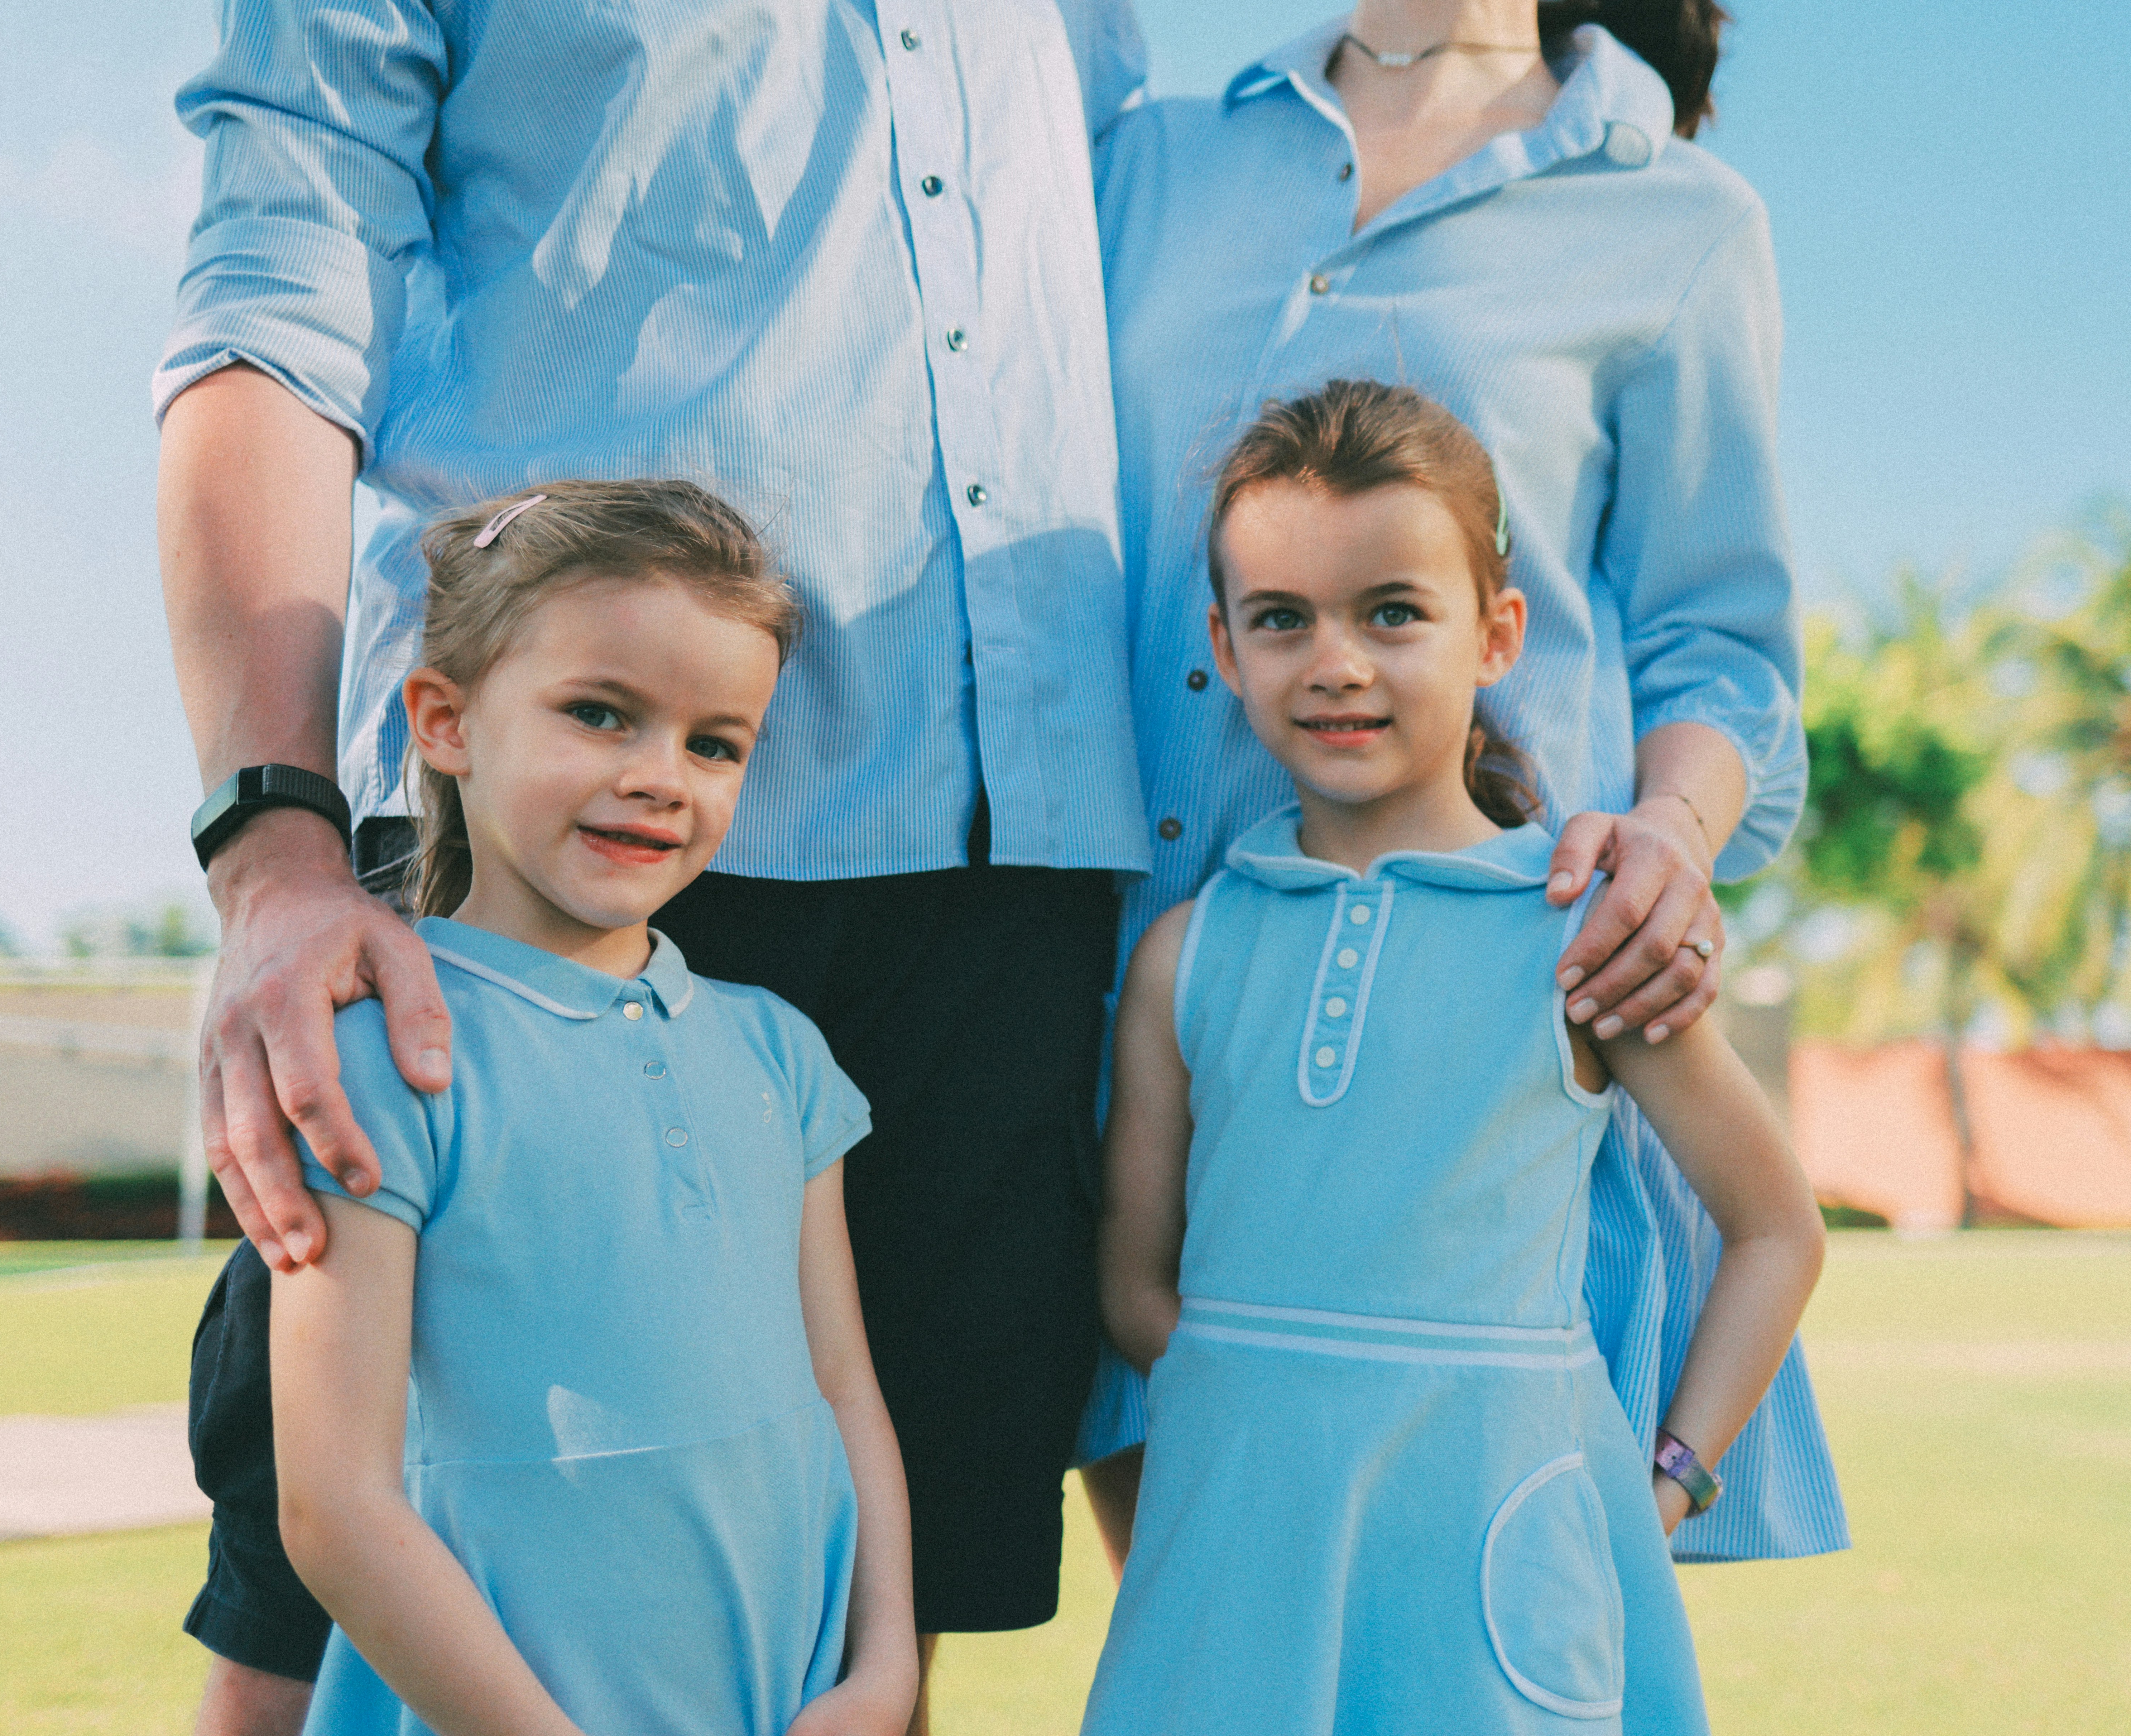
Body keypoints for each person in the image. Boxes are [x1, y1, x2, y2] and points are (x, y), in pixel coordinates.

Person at [155, 8, 1155, 1731]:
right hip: (506, 894)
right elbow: (277, 287)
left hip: (1011, 859)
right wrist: (275, 846)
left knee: (857, 1621)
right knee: (313, 1599)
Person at [1075, 0, 1848, 1569]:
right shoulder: (1146, 160)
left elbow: (1723, 651)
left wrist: (1665, 849)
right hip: (1141, 1011)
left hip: (1486, 1026)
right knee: (1221, 1642)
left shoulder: (1674, 219)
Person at [1083, 382, 1824, 1733]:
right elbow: (1137, 1285)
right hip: (1240, 1548)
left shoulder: (1582, 931)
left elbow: (1775, 1226)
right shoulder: (1184, 955)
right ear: (1224, 646)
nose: (1337, 662)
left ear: (1495, 635)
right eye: (1281, 621)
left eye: (1392, 612)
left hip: (1502, 1540)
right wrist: (1274, 1404)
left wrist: (1671, 1476)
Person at [269, 481, 914, 1735]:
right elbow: (331, 1507)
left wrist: (883, 1672)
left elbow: (847, 1390)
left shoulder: (780, 1055)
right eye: (600, 714)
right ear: (446, 722)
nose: (659, 777)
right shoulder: (384, 1053)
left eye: (713, 743)